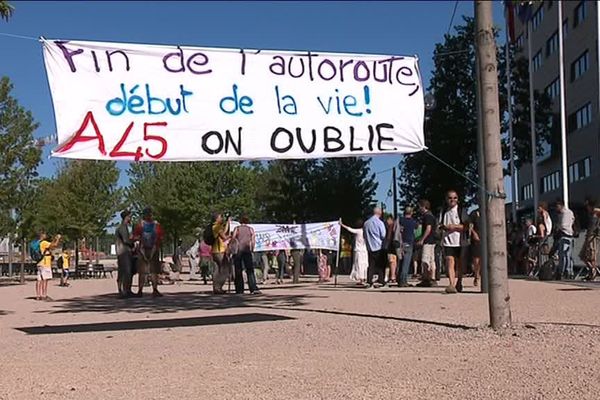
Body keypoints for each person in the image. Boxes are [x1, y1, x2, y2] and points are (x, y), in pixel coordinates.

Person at [439, 190, 467, 294]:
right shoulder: (443, 211)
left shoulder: (461, 211)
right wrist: (443, 227)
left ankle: (459, 281)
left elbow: (466, 226)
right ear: (446, 199)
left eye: (454, 198)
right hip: (447, 241)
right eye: (450, 198)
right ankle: (451, 284)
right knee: (450, 261)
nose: (452, 200)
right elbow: (440, 224)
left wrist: (453, 226)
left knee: (459, 263)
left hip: (460, 241)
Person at [132, 207, 164, 297]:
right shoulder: (157, 225)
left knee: (142, 272)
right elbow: (161, 238)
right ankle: (154, 290)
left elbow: (135, 237)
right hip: (154, 249)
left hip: (143, 250)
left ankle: (140, 291)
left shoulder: (140, 225)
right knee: (154, 271)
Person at [232, 215, 261, 294]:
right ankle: (253, 287)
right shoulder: (250, 229)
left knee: (238, 270)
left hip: (238, 251)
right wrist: (252, 249)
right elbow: (253, 240)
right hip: (247, 250)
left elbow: (233, 239)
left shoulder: (237, 229)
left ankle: (239, 289)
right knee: (250, 270)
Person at [363, 207, 387, 288]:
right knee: (380, 264)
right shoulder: (380, 223)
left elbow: (364, 235)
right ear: (379, 213)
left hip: (369, 246)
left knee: (371, 265)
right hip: (378, 246)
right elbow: (383, 235)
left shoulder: (366, 223)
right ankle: (381, 280)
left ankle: (369, 281)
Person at [416, 199, 438, 287]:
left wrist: (422, 239)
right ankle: (432, 278)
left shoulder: (427, 216)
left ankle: (426, 278)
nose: (419, 209)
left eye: (419, 207)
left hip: (428, 241)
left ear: (423, 206)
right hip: (433, 240)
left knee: (425, 260)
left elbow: (428, 229)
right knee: (432, 260)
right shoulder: (432, 216)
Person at [35, 231, 61, 301]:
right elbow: (54, 245)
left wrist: (54, 240)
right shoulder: (44, 243)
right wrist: (58, 238)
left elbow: (51, 245)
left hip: (39, 263)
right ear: (42, 235)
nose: (46, 235)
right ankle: (44, 295)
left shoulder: (38, 243)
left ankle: (38, 295)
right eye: (45, 234)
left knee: (39, 280)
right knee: (45, 280)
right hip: (45, 263)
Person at [342, 220, 369, 285]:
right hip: (365, 250)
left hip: (358, 250)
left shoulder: (358, 231)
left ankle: (360, 278)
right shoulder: (366, 231)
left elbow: (349, 229)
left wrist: (341, 224)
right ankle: (365, 277)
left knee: (358, 264)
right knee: (365, 264)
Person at [553, 200, 575, 279]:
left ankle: (563, 271)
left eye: (556, 207)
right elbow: (573, 220)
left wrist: (557, 227)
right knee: (568, 255)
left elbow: (562, 225)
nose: (556, 209)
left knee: (563, 255)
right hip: (570, 235)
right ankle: (569, 271)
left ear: (560, 205)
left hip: (564, 234)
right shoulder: (570, 212)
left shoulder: (564, 214)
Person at [580, 200, 600, 280]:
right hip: (589, 237)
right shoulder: (592, 215)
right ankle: (593, 270)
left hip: (592, 238)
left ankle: (593, 272)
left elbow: (593, 227)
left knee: (591, 256)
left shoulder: (595, 215)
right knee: (584, 256)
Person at [211, 213, 231, 294]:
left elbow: (223, 231)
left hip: (215, 250)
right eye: (220, 217)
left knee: (217, 270)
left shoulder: (214, 226)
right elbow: (224, 237)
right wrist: (231, 236)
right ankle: (219, 287)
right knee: (224, 270)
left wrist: (228, 223)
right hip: (220, 251)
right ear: (216, 218)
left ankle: (216, 288)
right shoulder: (217, 226)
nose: (221, 218)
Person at [116, 209, 134, 297]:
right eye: (130, 216)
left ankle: (127, 290)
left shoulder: (125, 227)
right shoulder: (122, 228)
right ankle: (122, 291)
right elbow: (126, 240)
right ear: (126, 217)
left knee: (128, 271)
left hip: (126, 252)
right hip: (123, 252)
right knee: (125, 271)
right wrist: (134, 240)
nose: (131, 218)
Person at [398, 207, 418, 287]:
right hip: (409, 243)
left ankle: (399, 279)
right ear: (411, 212)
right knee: (406, 263)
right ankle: (403, 280)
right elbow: (416, 229)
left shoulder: (400, 220)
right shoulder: (413, 222)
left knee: (401, 262)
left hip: (401, 242)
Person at [382, 214, 398, 284]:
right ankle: (392, 276)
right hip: (393, 246)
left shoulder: (390, 227)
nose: (387, 221)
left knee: (391, 262)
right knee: (392, 262)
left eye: (388, 220)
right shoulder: (393, 226)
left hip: (390, 246)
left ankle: (391, 277)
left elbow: (388, 237)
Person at [469, 210, 482, 287]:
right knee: (476, 259)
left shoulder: (488, 211)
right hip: (476, 238)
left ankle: (482, 275)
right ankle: (476, 275)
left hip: (486, 237)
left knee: (484, 259)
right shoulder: (474, 213)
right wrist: (473, 233)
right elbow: (470, 225)